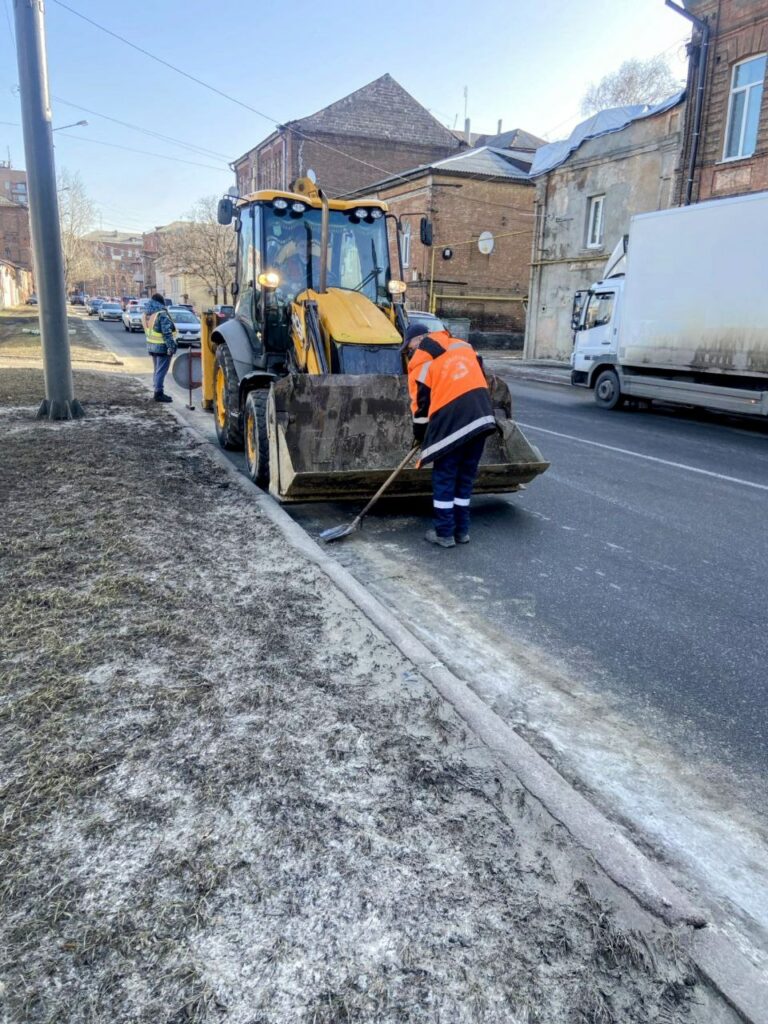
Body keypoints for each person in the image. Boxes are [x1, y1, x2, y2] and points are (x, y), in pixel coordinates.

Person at [404, 321, 496, 548]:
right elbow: (479, 374)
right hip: (482, 418)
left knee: (445, 477)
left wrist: (421, 435)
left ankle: (444, 533)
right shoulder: (462, 346)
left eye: (408, 347)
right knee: (465, 478)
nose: (409, 352)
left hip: (453, 423)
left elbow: (421, 410)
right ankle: (461, 531)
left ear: (418, 341)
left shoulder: (421, 364)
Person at [142, 293, 178, 402]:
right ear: (161, 302)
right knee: (161, 371)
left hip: (152, 347)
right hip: (162, 347)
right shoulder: (161, 314)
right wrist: (171, 347)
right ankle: (158, 393)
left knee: (157, 370)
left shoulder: (146, 314)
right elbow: (167, 333)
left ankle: (156, 390)